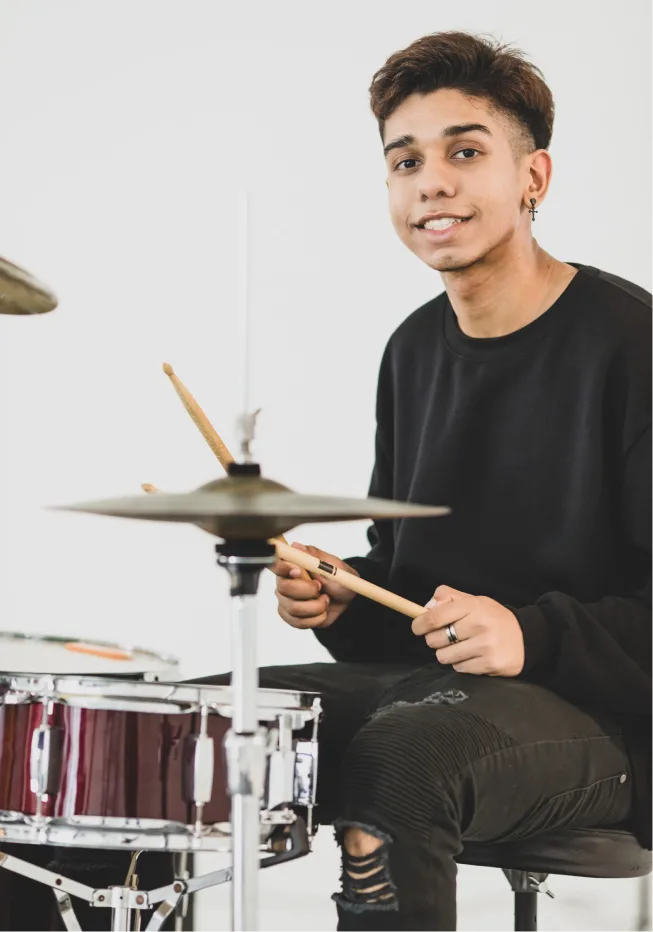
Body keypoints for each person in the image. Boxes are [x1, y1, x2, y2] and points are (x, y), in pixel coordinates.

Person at [238, 28, 653, 932]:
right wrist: (344, 599)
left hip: (608, 725)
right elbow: (413, 584)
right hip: (440, 696)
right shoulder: (414, 349)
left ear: (532, 178)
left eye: (465, 151)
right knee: (180, 725)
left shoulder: (632, 344)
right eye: (405, 160)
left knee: (403, 761)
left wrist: (531, 637)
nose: (431, 181)